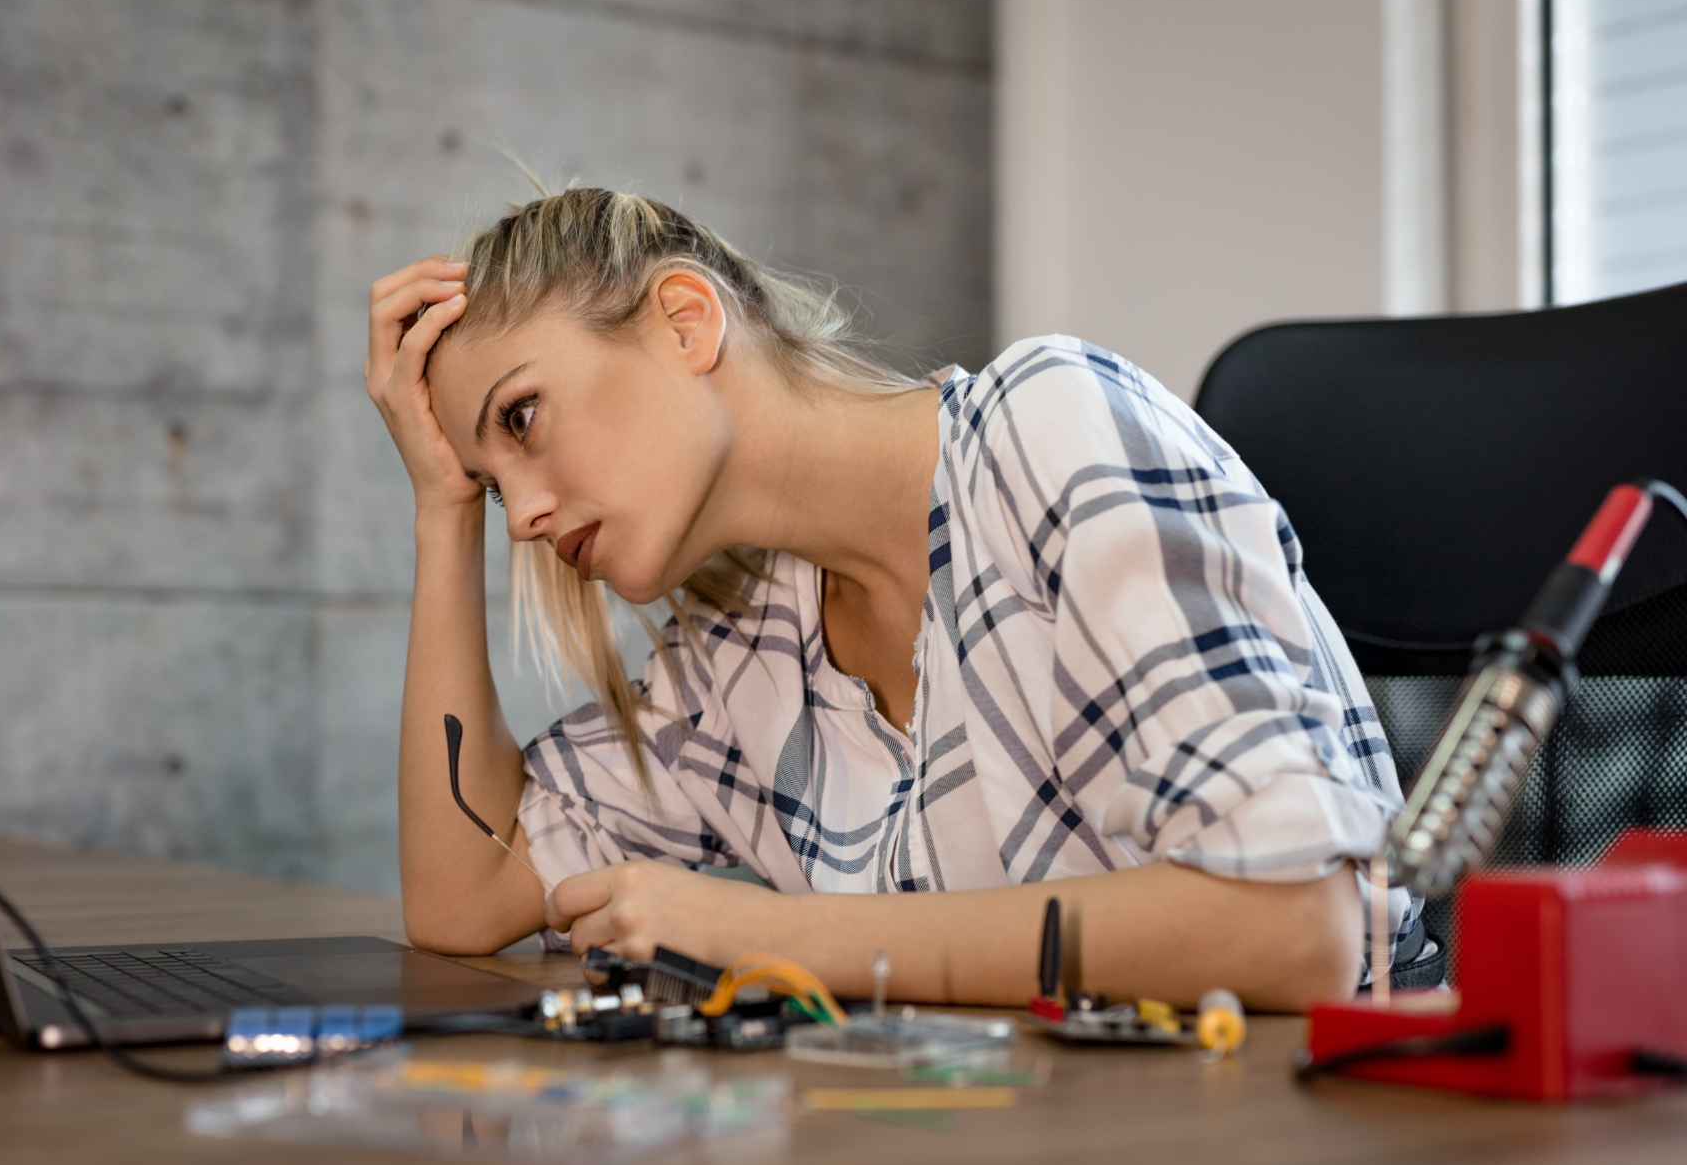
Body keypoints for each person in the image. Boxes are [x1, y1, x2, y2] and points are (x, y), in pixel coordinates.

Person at [365, 188, 1412, 1012]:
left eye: (525, 415)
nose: (522, 519)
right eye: (492, 483)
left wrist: (779, 940)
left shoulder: (1046, 427)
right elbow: (465, 896)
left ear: (685, 322)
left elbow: (1300, 928)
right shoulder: (738, 657)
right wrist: (437, 510)